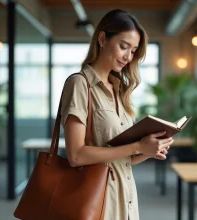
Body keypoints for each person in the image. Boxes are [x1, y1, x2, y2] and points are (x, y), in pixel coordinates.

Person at [61, 9, 174, 220]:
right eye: (123, 46)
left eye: (133, 51)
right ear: (102, 38)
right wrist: (138, 146)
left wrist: (149, 149)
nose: (128, 57)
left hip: (126, 199)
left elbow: (123, 159)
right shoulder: (79, 84)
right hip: (97, 202)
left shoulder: (119, 89)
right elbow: (76, 156)